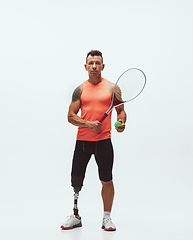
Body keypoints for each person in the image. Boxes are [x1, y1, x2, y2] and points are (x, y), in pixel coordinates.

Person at [60, 50, 127, 231]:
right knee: (76, 179)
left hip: (104, 142)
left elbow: (121, 112)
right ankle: (75, 216)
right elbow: (70, 116)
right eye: (91, 63)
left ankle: (107, 218)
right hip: (83, 141)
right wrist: (88, 124)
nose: (94, 66)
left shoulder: (113, 88)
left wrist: (121, 123)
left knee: (106, 179)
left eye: (97, 63)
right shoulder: (79, 90)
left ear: (103, 66)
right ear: (86, 66)